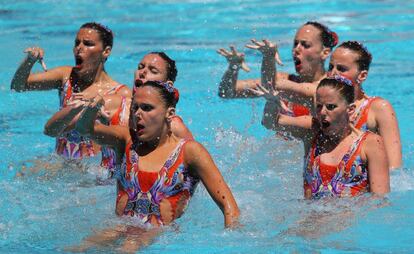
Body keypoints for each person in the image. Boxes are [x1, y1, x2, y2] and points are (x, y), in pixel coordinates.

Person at [71, 80, 239, 252]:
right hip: (120, 226)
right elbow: (85, 129)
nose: (138, 114)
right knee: (77, 249)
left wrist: (231, 245)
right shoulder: (126, 140)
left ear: (169, 113)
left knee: (129, 246)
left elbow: (229, 208)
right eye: (135, 108)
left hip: (161, 234)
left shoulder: (190, 152)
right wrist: (93, 107)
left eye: (147, 108)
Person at [259, 41, 402, 170]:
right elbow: (271, 87)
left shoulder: (378, 108)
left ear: (362, 75)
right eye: (331, 67)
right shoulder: (318, 94)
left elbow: (394, 167)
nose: (333, 74)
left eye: (341, 69)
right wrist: (268, 57)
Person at [11, 22, 132, 166]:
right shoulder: (66, 76)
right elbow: (18, 86)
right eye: (77, 43)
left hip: (91, 173)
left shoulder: (121, 94)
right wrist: (29, 61)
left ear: (106, 51)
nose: (79, 48)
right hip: (61, 164)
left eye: (88, 44)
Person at [259, 76, 390, 199]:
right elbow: (270, 123)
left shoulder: (370, 144)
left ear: (350, 110)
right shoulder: (311, 131)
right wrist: (271, 102)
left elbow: (379, 201)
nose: (322, 112)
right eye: (319, 106)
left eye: (331, 107)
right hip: (309, 220)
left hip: (350, 221)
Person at [217, 21, 338, 117]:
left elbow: (271, 85)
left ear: (325, 52)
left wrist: (268, 58)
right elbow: (226, 92)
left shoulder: (331, 88)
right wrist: (233, 68)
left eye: (305, 45)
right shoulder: (282, 78)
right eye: (295, 44)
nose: (296, 49)